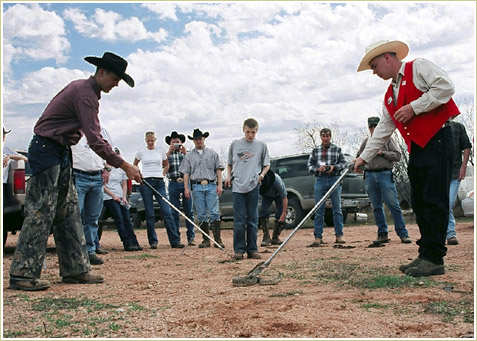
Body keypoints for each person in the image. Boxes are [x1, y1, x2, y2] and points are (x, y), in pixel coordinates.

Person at [9, 52, 142, 291]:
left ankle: (75, 269)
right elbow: (95, 140)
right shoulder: (85, 94)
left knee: (68, 211)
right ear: (101, 72)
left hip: (59, 151)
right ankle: (23, 273)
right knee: (41, 211)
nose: (116, 83)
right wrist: (125, 165)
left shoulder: (87, 92)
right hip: (46, 149)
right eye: (115, 78)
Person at [355, 40, 460, 277]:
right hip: (418, 147)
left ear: (388, 58)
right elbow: (384, 127)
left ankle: (435, 257)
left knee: (434, 199)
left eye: (374, 65)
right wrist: (364, 157)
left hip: (439, 138)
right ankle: (426, 254)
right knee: (420, 200)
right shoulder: (389, 95)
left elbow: (445, 87)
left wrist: (414, 107)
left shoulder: (419, 67)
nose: (374, 72)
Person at [356, 116, 411, 244]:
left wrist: (382, 153)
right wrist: (358, 164)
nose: (373, 129)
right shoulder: (366, 142)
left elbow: (397, 155)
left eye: (376, 126)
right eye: (371, 126)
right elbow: (359, 156)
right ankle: (382, 234)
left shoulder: (388, 140)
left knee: (393, 204)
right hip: (369, 175)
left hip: (385, 174)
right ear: (368, 128)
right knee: (376, 206)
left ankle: (403, 233)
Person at [225, 118, 270, 260]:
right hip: (238, 186)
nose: (250, 135)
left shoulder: (261, 145)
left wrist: (261, 175)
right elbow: (229, 163)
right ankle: (238, 249)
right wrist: (228, 177)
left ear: (257, 131)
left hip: (253, 185)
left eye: (253, 132)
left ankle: (252, 249)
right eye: (248, 132)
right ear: (243, 130)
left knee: (252, 219)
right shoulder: (235, 144)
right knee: (239, 220)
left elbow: (266, 164)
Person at [134, 131, 184, 249]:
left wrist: (162, 174)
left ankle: (175, 240)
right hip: (146, 182)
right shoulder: (141, 152)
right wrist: (139, 175)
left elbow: (166, 165)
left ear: (155, 140)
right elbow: (135, 164)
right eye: (148, 141)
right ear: (146, 141)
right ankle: (153, 241)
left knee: (166, 211)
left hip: (159, 182)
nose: (150, 143)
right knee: (150, 213)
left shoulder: (160, 151)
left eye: (152, 140)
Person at [179, 129, 225, 249]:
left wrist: (220, 184)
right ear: (193, 141)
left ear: (204, 139)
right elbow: (186, 173)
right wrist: (186, 188)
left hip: (211, 185)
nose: (198, 141)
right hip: (196, 186)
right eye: (196, 139)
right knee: (201, 213)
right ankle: (206, 239)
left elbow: (218, 169)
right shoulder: (189, 156)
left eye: (200, 138)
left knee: (214, 212)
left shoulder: (212, 153)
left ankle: (217, 239)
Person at [71, 134, 111, 265]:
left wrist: (107, 169)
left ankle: (90, 251)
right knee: (75, 216)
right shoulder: (73, 136)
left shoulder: (100, 136)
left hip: (97, 177)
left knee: (93, 217)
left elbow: (109, 151)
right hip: (79, 176)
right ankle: (75, 252)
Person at [307, 128, 348, 246]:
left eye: (327, 136)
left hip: (334, 179)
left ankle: (339, 235)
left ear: (330, 137)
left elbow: (344, 164)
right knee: (319, 209)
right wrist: (317, 169)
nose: (325, 138)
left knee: (337, 208)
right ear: (320, 137)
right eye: (323, 136)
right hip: (320, 179)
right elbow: (309, 166)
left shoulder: (337, 149)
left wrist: (334, 167)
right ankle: (318, 237)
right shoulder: (315, 151)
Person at [103, 147, 142, 251]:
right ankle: (127, 242)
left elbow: (124, 184)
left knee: (127, 219)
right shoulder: (104, 169)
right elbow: (102, 186)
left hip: (121, 197)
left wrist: (124, 197)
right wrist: (113, 196)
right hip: (109, 197)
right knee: (119, 219)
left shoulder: (121, 169)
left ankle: (134, 241)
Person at [165, 131, 195, 246]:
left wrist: (184, 152)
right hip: (173, 183)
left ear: (181, 143)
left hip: (186, 183)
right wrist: (169, 152)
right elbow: (163, 165)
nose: (176, 144)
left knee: (189, 211)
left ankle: (191, 237)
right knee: (174, 211)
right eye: (173, 142)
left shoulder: (187, 154)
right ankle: (176, 238)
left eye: (178, 142)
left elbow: (193, 165)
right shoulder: (167, 155)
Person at [446, 120, 471, 245]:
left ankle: (449, 233)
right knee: (439, 204)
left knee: (448, 202)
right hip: (437, 174)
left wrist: (463, 166)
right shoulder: (432, 127)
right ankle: (448, 234)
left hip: (454, 172)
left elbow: (466, 146)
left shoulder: (458, 127)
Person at [258, 171, 288, 246]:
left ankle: (275, 237)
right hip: (267, 195)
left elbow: (284, 197)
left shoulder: (277, 181)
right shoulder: (259, 182)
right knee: (263, 212)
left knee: (281, 213)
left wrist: (284, 213)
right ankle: (266, 237)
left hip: (278, 195)